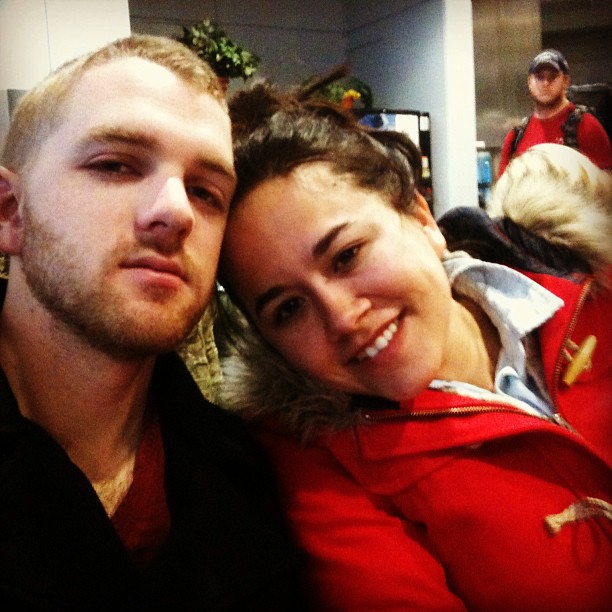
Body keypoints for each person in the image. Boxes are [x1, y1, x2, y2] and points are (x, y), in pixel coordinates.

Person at [215, 82, 612, 611]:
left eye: (347, 255)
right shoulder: (321, 465)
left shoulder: (593, 289)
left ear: (422, 220)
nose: (342, 318)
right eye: (288, 309)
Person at [0, 35, 301, 609]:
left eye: (206, 192)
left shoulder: (256, 481)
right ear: (10, 212)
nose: (176, 211)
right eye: (115, 165)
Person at [497, 48, 612, 177]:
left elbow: (607, 183)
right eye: (539, 77)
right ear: (529, 82)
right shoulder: (516, 136)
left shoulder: (587, 126)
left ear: (566, 81)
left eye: (552, 77)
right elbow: (503, 186)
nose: (545, 83)